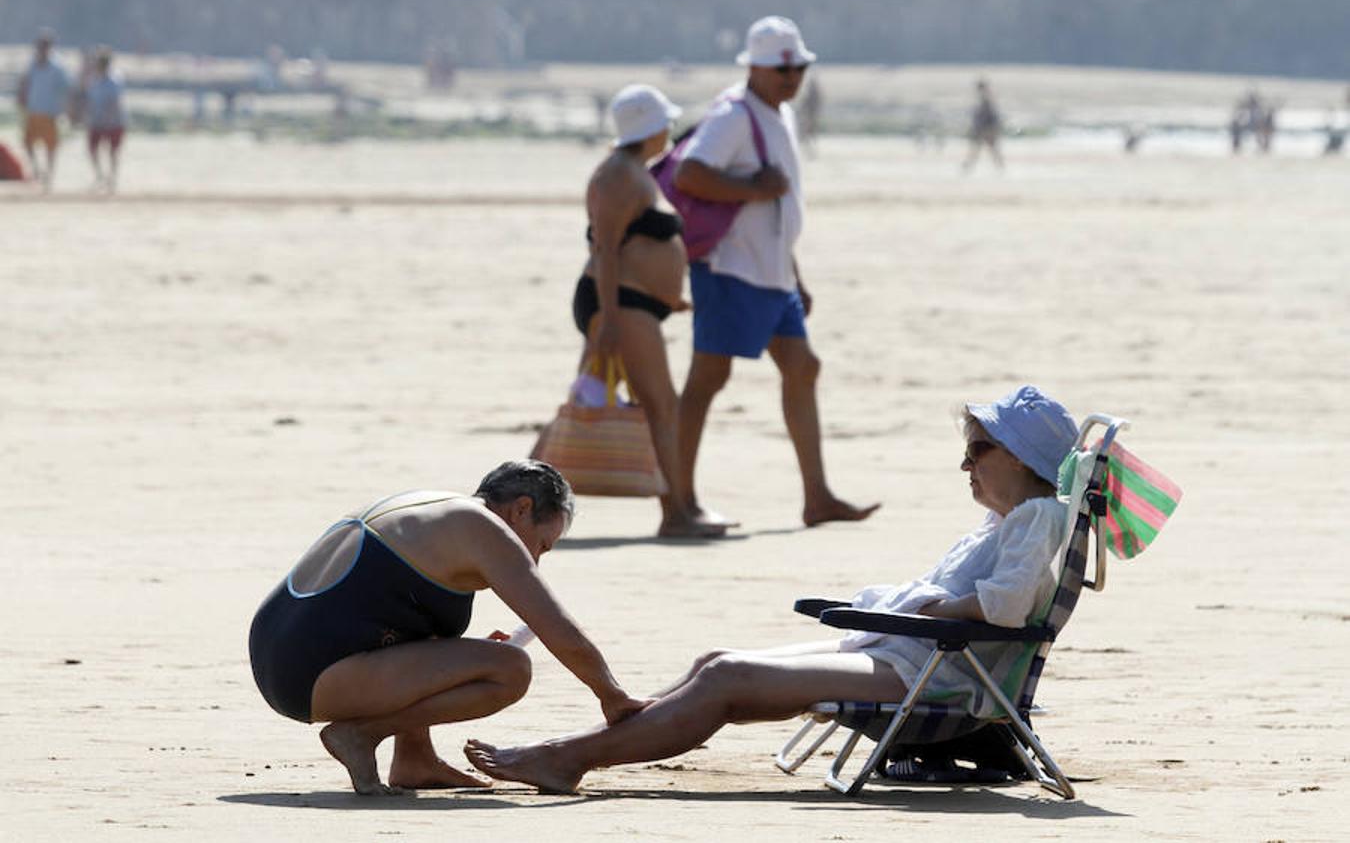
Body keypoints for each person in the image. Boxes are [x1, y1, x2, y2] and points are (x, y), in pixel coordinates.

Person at [464, 386, 1080, 792]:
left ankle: (571, 755)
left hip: (942, 673)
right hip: (919, 655)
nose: (966, 463)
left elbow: (1005, 607)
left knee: (728, 676)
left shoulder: (1035, 516)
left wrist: (929, 608)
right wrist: (900, 609)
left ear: (1023, 459)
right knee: (714, 664)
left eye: (978, 449)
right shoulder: (1009, 519)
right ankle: (588, 745)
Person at [248, 460, 649, 795]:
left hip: (278, 655)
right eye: (543, 545)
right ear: (521, 509)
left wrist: (458, 656)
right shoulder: (485, 531)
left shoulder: (431, 507)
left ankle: (415, 759)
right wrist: (611, 696)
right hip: (309, 674)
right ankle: (362, 734)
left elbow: (396, 619)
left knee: (456, 642)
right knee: (510, 670)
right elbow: (558, 629)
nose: (536, 561)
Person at [671, 16, 878, 529]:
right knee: (707, 380)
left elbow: (777, 206)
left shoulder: (775, 111)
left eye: (798, 68)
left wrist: (795, 274)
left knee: (802, 367)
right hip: (730, 270)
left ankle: (817, 496)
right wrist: (753, 191)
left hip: (772, 273)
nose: (791, 78)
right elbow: (689, 173)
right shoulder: (734, 114)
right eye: (781, 69)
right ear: (755, 69)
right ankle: (677, 505)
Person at [567, 84, 727, 538]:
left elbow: (637, 240)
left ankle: (679, 508)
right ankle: (677, 513)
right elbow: (606, 247)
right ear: (651, 128)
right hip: (617, 301)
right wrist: (612, 319)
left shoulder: (634, 171)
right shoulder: (617, 175)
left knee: (654, 406)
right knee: (661, 407)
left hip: (632, 301)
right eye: (666, 124)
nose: (670, 131)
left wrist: (668, 296)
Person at [15, 30, 71, 191]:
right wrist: (21, 97)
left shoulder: (57, 67)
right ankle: (36, 169)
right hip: (33, 110)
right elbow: (25, 82)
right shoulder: (32, 64)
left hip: (49, 112)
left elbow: (66, 88)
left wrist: (66, 109)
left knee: (51, 146)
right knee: (27, 143)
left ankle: (49, 176)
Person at [84, 47, 126, 193]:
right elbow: (89, 100)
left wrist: (107, 117)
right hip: (97, 121)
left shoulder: (114, 80)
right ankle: (100, 176)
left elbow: (114, 103)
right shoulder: (93, 80)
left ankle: (112, 179)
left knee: (113, 152)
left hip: (113, 122)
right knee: (92, 149)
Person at [962, 77, 1003, 171]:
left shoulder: (986, 98)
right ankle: (1000, 166)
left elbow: (986, 114)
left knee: (981, 148)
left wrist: (979, 126)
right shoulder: (986, 97)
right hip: (986, 127)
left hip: (985, 128)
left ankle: (968, 166)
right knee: (985, 148)